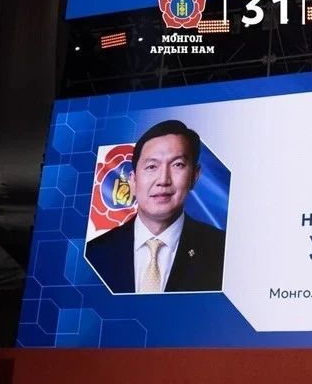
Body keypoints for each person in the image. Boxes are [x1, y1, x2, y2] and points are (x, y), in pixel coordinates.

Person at [86, 120, 226, 294]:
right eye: (151, 166)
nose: (163, 180)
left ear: (194, 176)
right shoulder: (94, 253)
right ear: (133, 181)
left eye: (177, 165)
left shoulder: (222, 250)